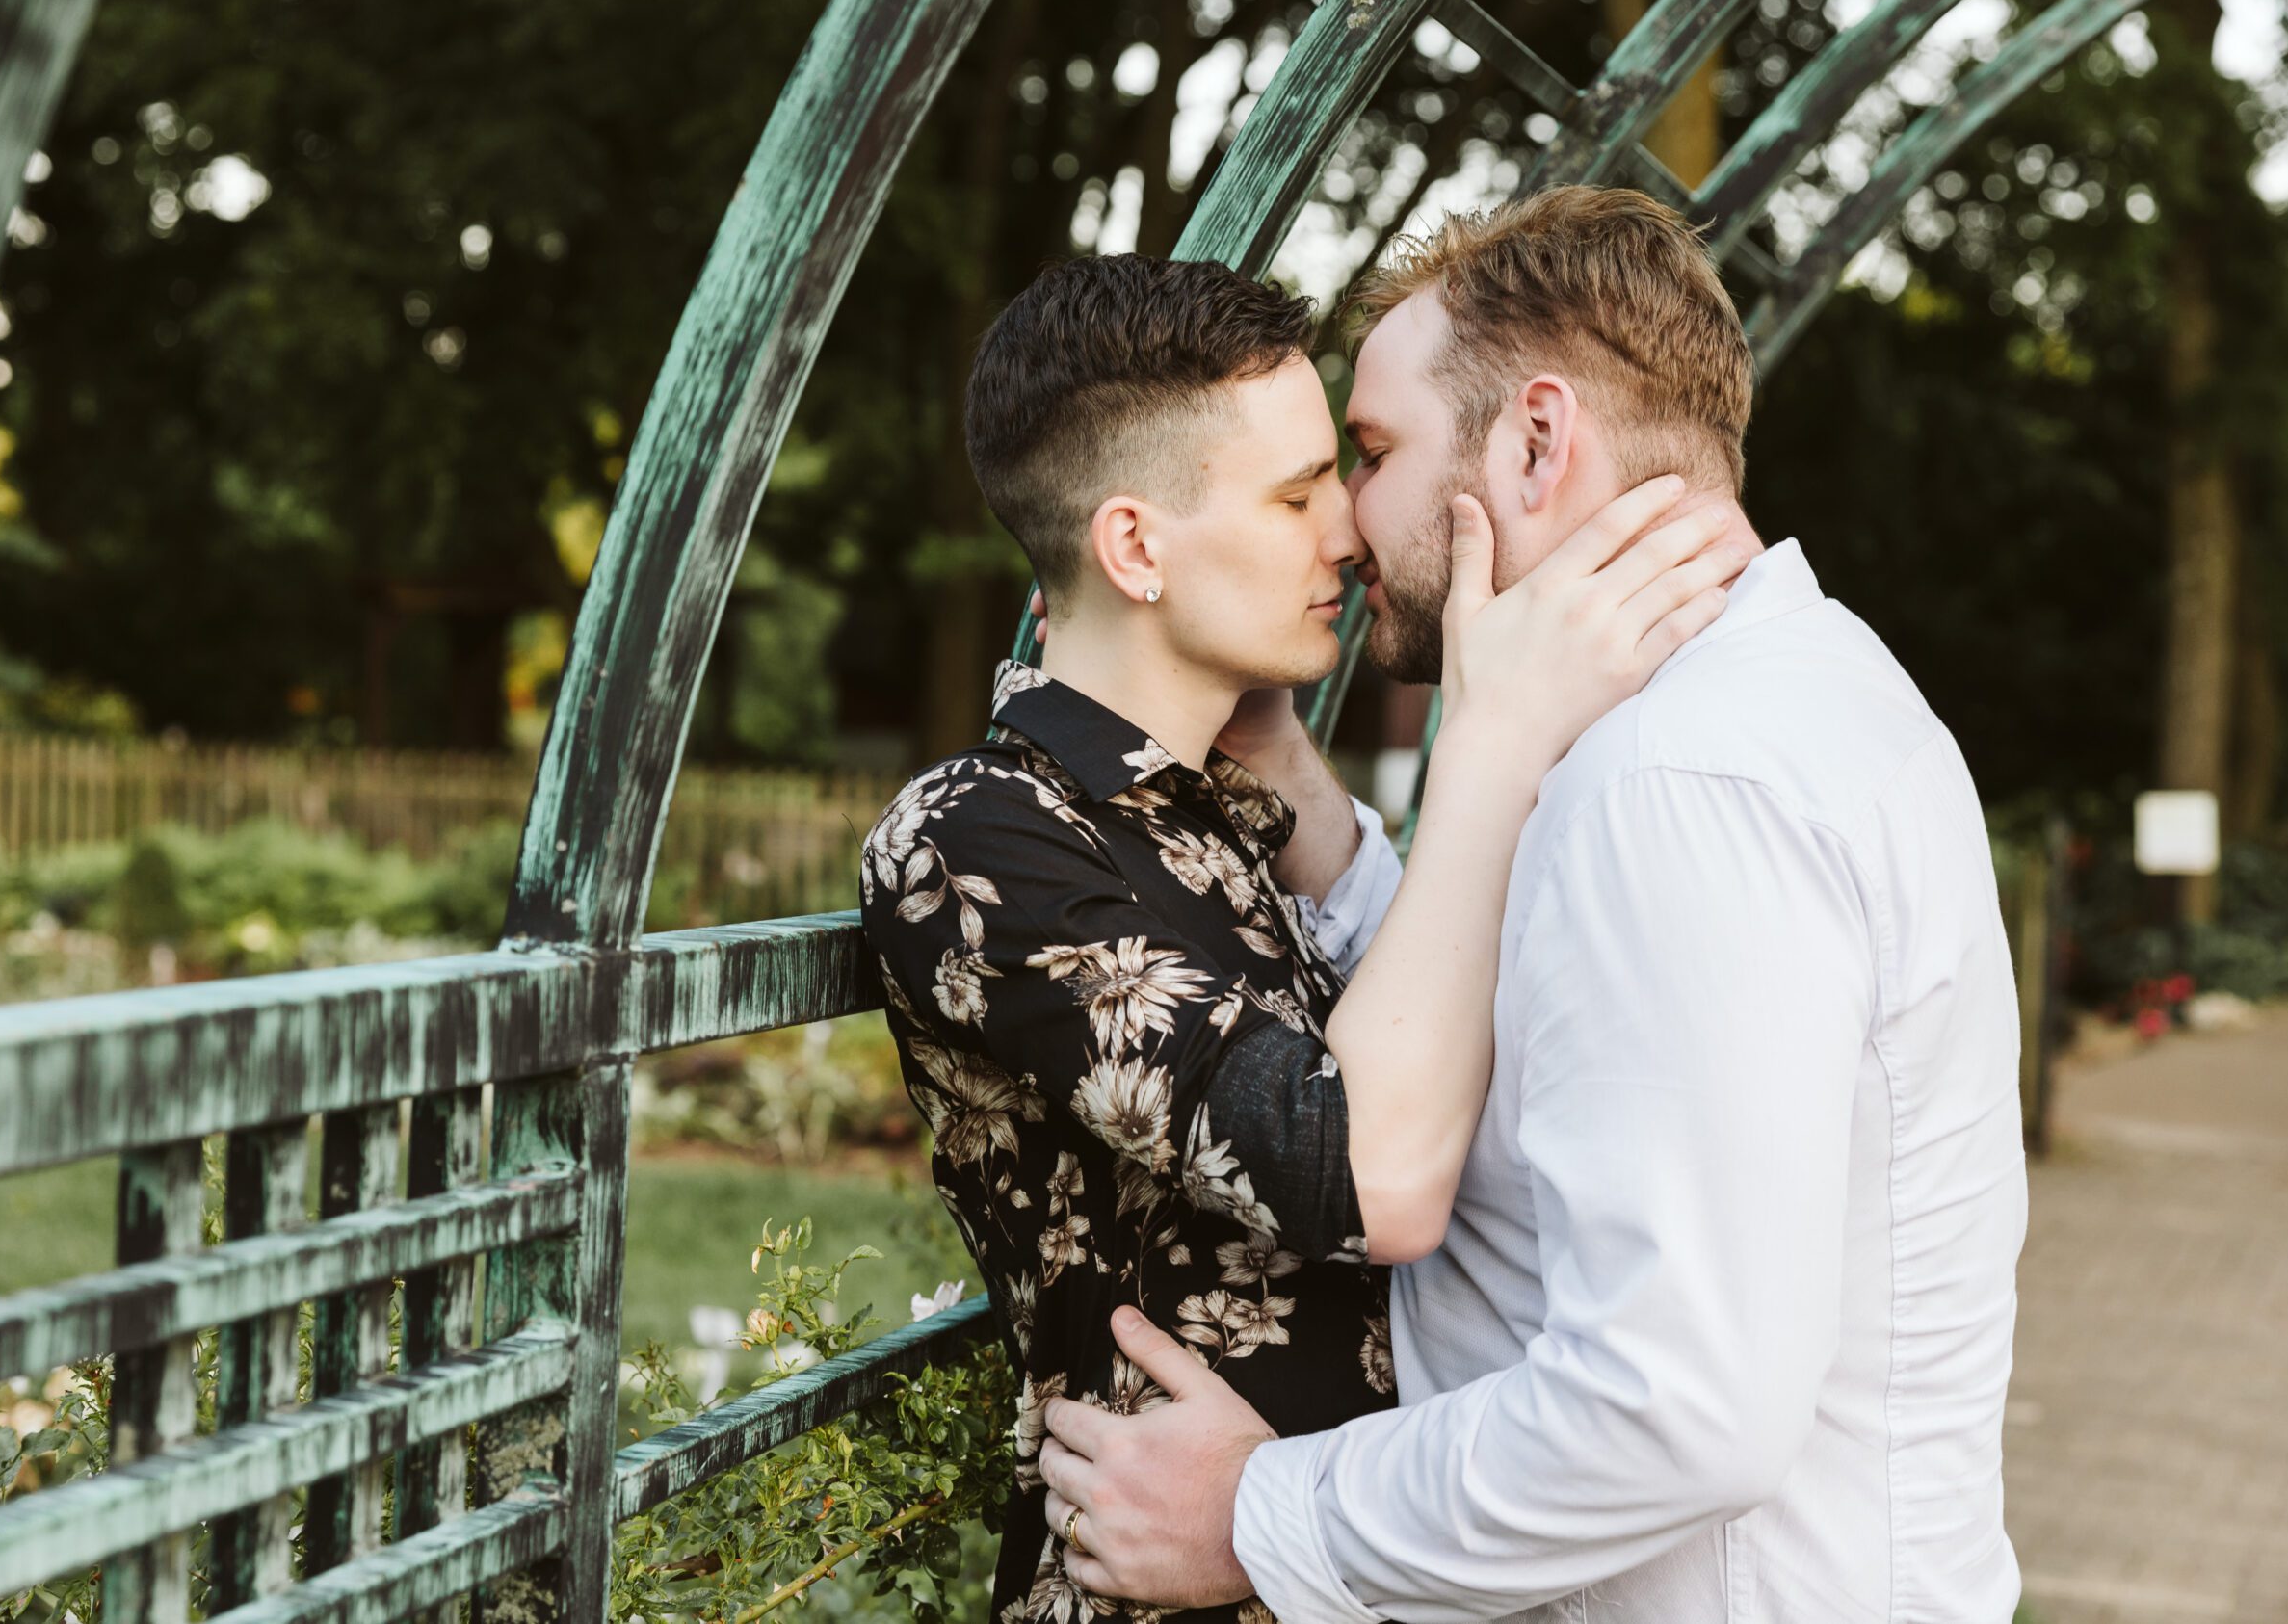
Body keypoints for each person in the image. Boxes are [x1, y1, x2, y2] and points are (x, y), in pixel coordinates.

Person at [1036, 187, 2030, 1623]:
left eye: (1373, 453)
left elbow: (1678, 1405)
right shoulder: (1787, 696)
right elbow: (1552, 1048)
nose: (1345, 522)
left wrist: (1258, 1514)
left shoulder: (1680, 781)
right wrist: (1311, 802)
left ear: (1536, 440)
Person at [857, 250, 1740, 1624]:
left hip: (1349, 1568)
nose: (1348, 531)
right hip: (1159, 1589)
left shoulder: (1236, 806)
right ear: (1136, 548)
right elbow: (1373, 1177)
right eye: (1295, 494)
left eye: (1344, 472)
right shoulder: (975, 839)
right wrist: (1492, 738)